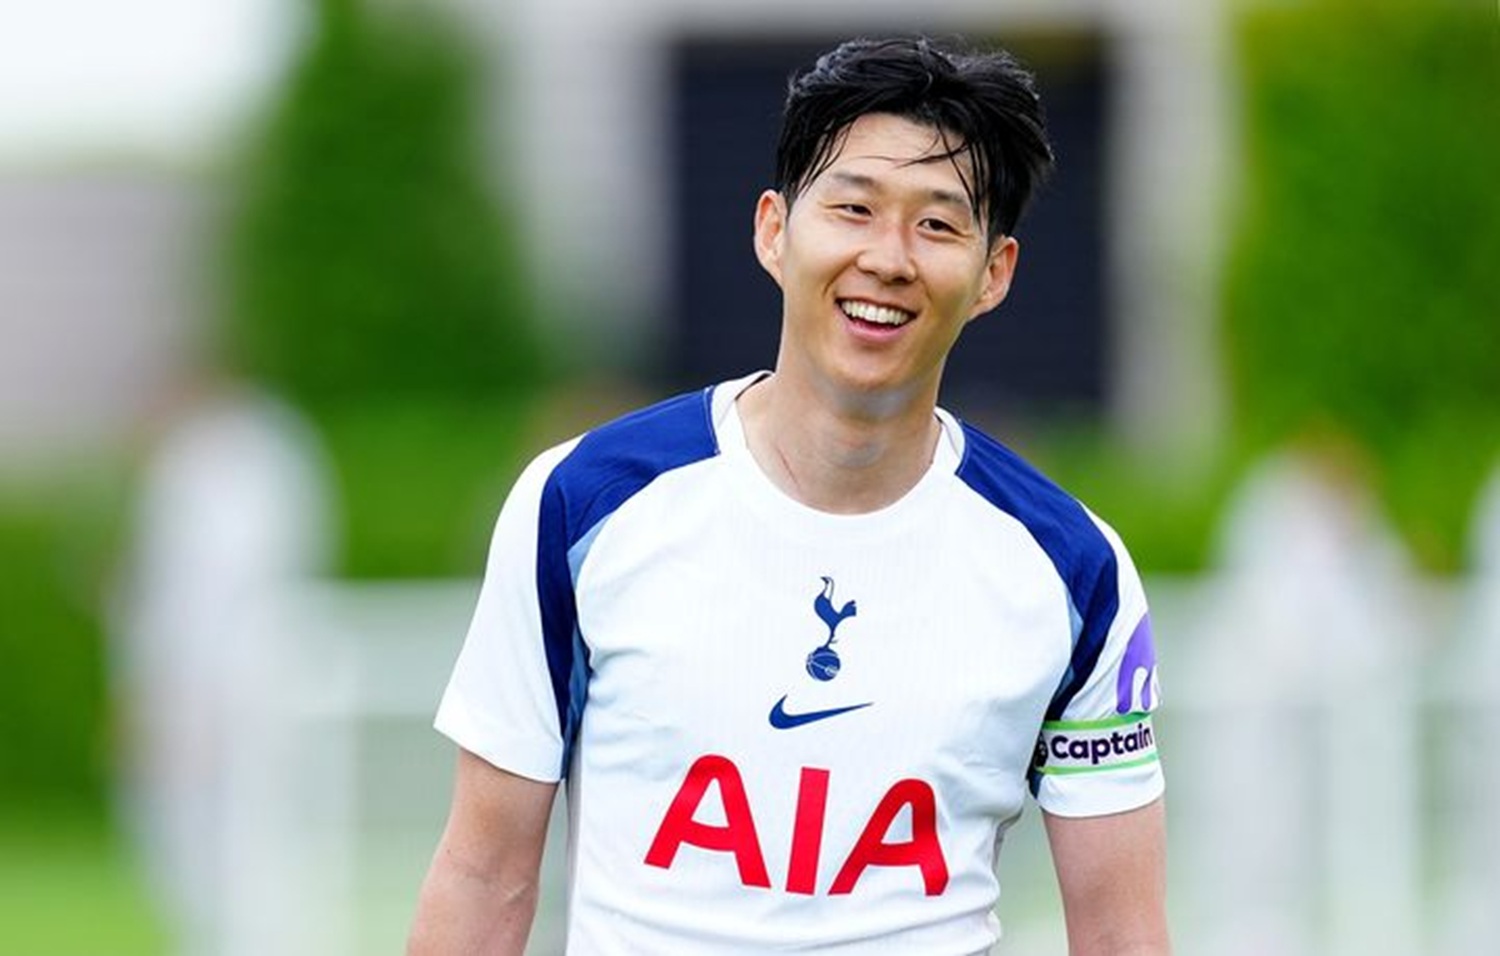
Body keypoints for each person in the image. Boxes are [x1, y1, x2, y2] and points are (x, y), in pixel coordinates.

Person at [408, 35, 1169, 955]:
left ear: (994, 274)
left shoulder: (1073, 568)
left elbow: (1122, 934)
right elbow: (484, 874)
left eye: (937, 225)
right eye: (854, 208)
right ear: (774, 230)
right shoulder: (583, 504)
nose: (888, 259)